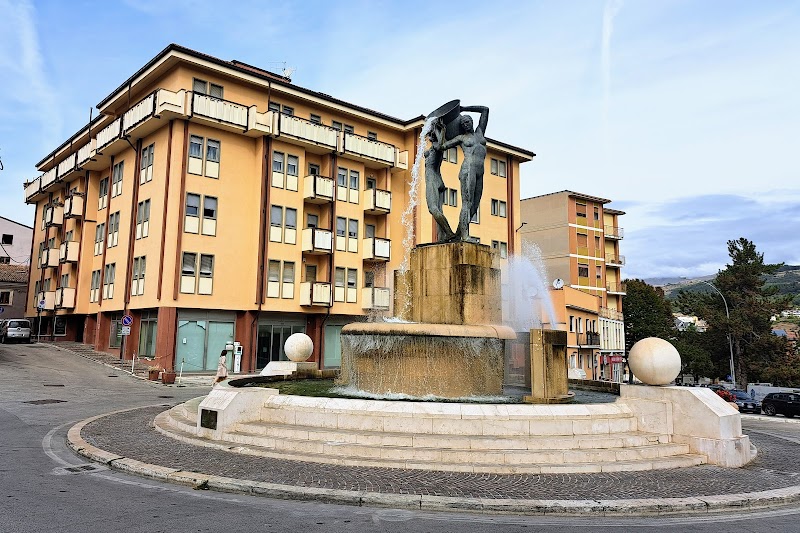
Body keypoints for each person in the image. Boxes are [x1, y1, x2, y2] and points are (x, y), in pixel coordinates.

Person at [439, 106, 489, 241]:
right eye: (463, 124)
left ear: (471, 122)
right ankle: (465, 236)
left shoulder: (480, 132)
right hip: (468, 169)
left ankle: (458, 235)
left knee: (475, 206)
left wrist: (463, 109)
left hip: (480, 171)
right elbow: (442, 146)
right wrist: (441, 132)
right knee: (467, 203)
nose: (465, 124)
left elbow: (485, 110)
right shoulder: (461, 138)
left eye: (467, 122)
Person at [423, 122, 456, 242]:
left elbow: (442, 145)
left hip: (433, 179)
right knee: (439, 210)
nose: (429, 135)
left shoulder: (437, 147)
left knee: (432, 209)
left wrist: (440, 130)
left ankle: (449, 233)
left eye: (432, 133)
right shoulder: (432, 149)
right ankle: (442, 238)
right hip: (438, 180)